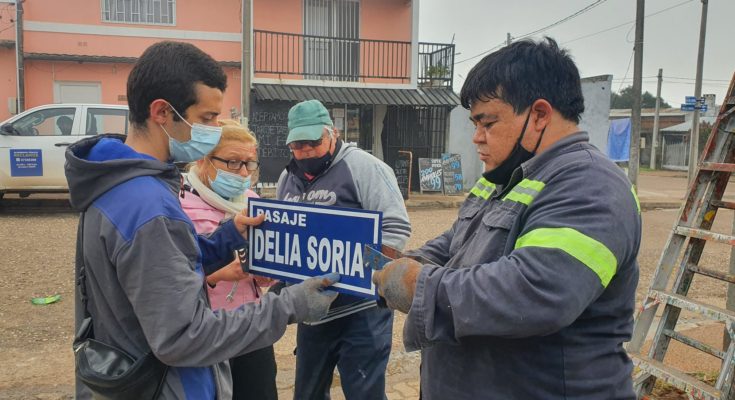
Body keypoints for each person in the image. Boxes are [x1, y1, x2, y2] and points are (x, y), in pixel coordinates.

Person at [65, 41, 339, 400]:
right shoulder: (149, 206)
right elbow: (183, 337)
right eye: (207, 118)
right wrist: (290, 305)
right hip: (164, 386)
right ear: (162, 112)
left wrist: (226, 238)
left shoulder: (113, 182)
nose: (213, 129)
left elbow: (162, 270)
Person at [372, 37, 641, 399]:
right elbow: (456, 242)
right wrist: (409, 261)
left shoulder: (591, 185)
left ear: (540, 114)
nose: (477, 139)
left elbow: (536, 291)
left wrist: (420, 286)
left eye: (488, 123)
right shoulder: (503, 177)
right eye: (474, 125)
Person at [277, 99, 411, 400]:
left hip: (362, 313)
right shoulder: (287, 178)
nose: (306, 151)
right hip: (313, 313)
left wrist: (358, 269)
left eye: (313, 142)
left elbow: (396, 229)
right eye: (298, 145)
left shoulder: (365, 168)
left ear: (333, 133)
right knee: (307, 394)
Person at [180, 119, 278, 400]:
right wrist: (217, 275)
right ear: (204, 159)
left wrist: (265, 272)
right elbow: (168, 278)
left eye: (250, 163)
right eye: (233, 163)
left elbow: (267, 275)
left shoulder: (252, 200)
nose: (243, 172)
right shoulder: (179, 203)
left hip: (252, 326)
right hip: (207, 331)